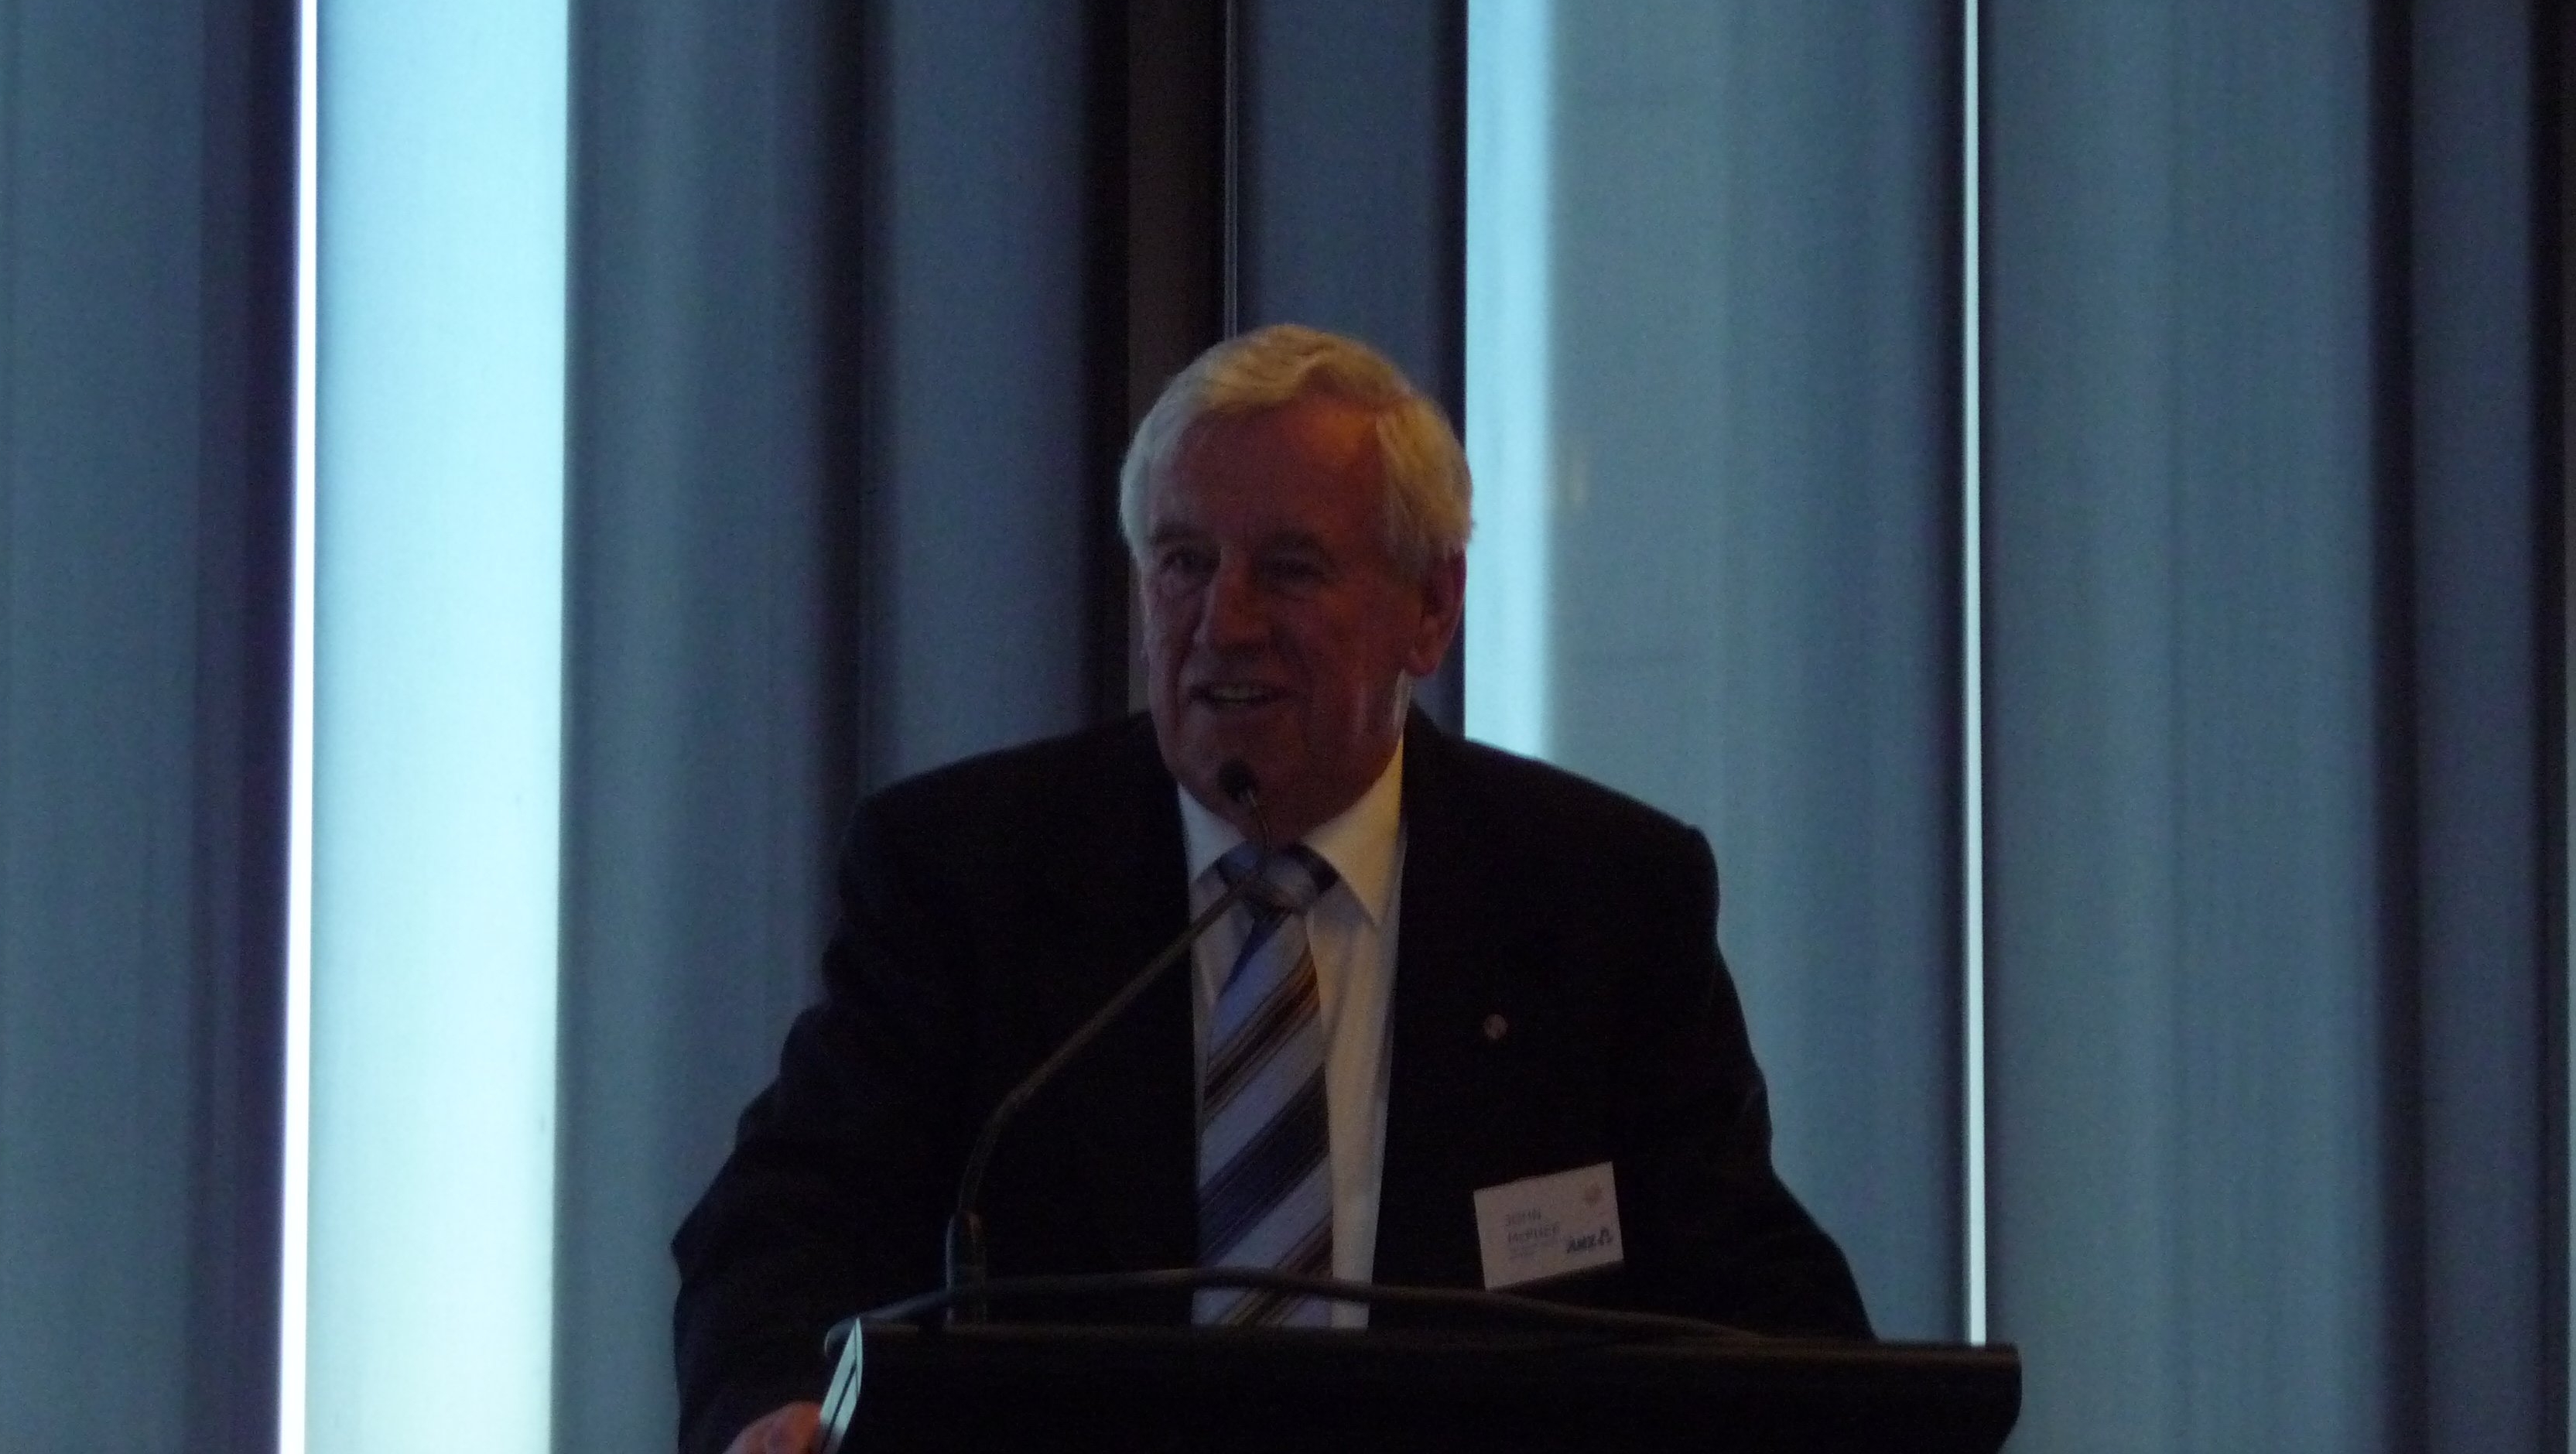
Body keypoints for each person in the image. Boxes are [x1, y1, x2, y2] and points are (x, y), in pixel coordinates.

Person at [673, 325, 1867, 1454]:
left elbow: (1752, 1295)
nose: (1224, 623)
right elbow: (793, 1217)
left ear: (1433, 609)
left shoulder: (1601, 896)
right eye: (1184, 563)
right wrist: (776, 1398)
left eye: (1290, 570)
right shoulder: (971, 868)